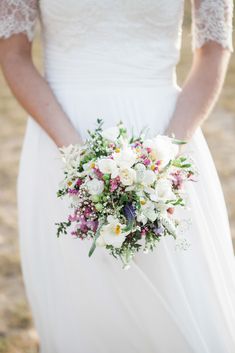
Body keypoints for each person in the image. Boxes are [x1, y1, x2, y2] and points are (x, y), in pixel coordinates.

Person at [0, 1, 235, 352]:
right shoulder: (69, 155)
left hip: (166, 139)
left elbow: (215, 49)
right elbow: (14, 53)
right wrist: (79, 161)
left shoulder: (166, 153)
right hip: (61, 140)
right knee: (83, 311)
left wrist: (164, 156)